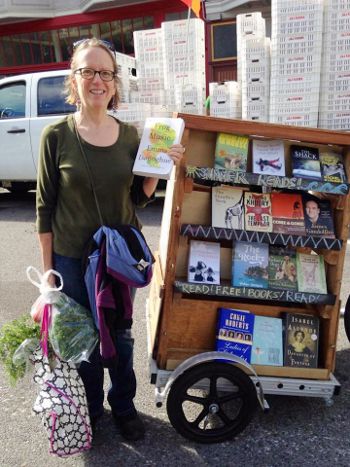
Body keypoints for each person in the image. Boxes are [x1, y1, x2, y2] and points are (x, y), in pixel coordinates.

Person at [35, 37, 184, 442]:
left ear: (115, 84)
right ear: (75, 79)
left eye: (105, 73)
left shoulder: (132, 136)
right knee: (84, 340)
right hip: (70, 259)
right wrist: (48, 272)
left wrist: (158, 169)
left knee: (118, 336)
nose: (97, 80)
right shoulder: (55, 136)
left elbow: (138, 198)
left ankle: (123, 407)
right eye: (88, 71)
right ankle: (93, 409)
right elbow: (44, 208)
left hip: (118, 259)